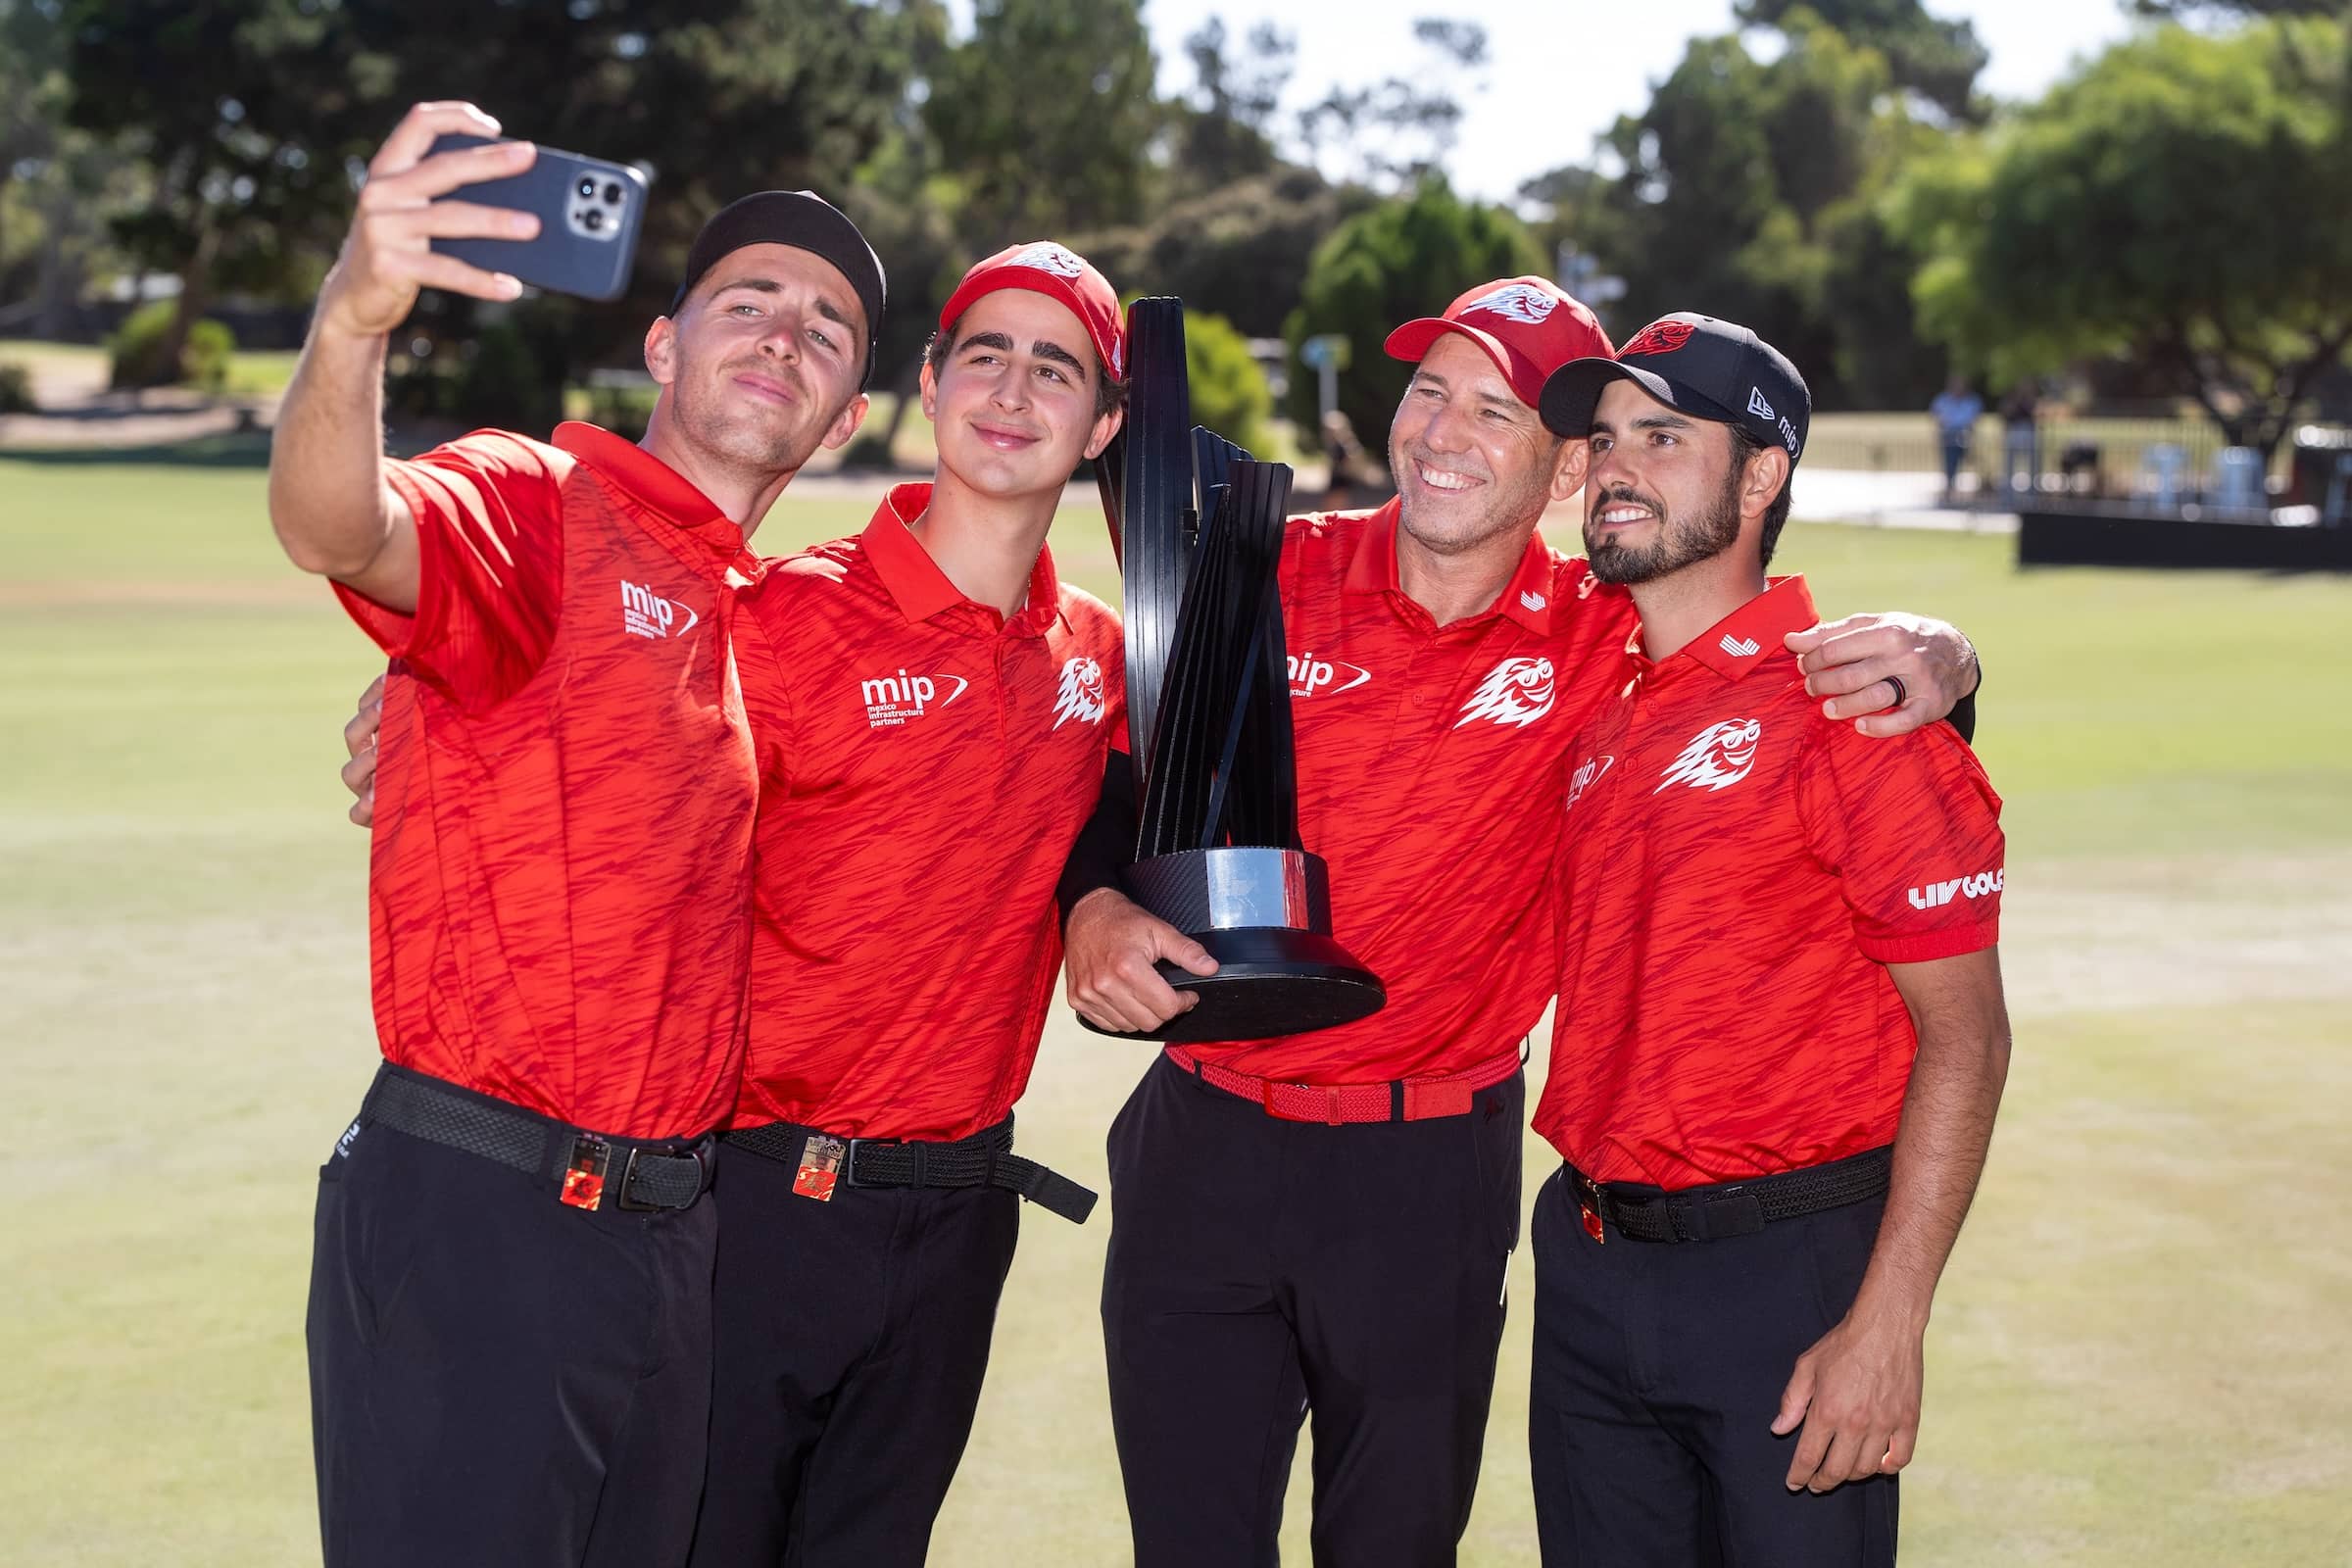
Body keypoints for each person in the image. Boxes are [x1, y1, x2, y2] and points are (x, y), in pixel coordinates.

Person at [1059, 278, 1984, 1566]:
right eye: (1430, 390)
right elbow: (1122, 763)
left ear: (1559, 476)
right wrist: (1093, 898)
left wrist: (1946, 653)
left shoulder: (1606, 638)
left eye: (1496, 409)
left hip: (1425, 1169)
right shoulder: (1267, 566)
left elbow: (1760, 669)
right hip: (1203, 1142)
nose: (1445, 429)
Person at [340, 242, 1133, 1565]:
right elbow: (595, 702)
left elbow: (1132, 805)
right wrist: (406, 711)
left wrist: (1104, 896)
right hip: (750, 1201)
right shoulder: (777, 616)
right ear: (925, 389)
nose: (1013, 387)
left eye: (1056, 366)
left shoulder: (1101, 658)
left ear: (1102, 426)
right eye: (983, 354)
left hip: (957, 1223)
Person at [274, 101, 881, 1568]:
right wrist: (354, 321)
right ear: (664, 348)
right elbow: (340, 525)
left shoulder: (764, 615)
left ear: (848, 416)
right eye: (750, 302)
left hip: (669, 1242)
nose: (784, 335)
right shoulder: (543, 501)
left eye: (827, 329)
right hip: (482, 1215)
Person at [1529, 314, 2010, 1566]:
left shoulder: (1854, 705)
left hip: (1789, 1280)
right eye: (1610, 434)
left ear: (1760, 476)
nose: (1619, 464)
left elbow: (1966, 1040)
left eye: (1666, 435)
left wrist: (1889, 1321)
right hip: (1587, 1268)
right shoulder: (1601, 695)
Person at [1930, 375, 1983, 499]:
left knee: (1968, 460)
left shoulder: (1972, 400)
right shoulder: (1943, 399)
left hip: (1965, 435)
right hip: (1949, 435)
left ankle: (1972, 487)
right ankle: (1950, 487)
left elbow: (1973, 418)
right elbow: (1936, 415)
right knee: (1950, 461)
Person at [2000, 380, 2040, 493]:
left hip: (2027, 431)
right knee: (2009, 465)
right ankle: (2008, 491)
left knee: (2033, 464)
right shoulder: (2011, 399)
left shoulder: (2031, 401)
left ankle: (2033, 491)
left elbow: (2035, 414)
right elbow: (2007, 414)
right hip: (2014, 430)